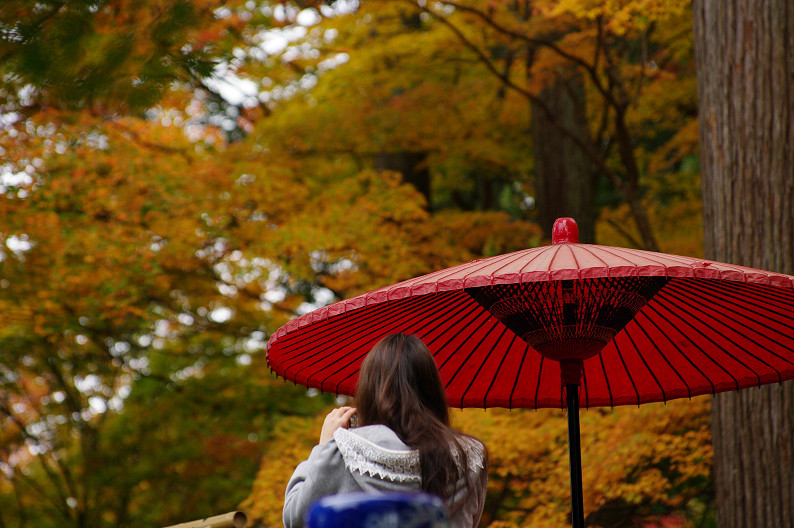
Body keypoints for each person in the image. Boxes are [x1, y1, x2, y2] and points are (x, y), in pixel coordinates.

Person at [283, 333, 488, 528]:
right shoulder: (471, 457)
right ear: (432, 389)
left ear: (369, 389)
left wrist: (324, 447)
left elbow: (296, 519)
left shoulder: (345, 450)